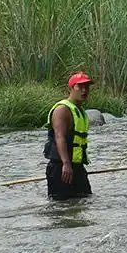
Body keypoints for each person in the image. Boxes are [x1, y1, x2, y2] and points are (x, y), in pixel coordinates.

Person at [43, 72, 93, 200]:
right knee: (60, 208)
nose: (84, 90)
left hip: (77, 167)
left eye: (87, 87)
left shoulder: (80, 111)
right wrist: (66, 164)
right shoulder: (62, 110)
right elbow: (60, 137)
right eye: (79, 87)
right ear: (70, 88)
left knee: (85, 201)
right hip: (61, 168)